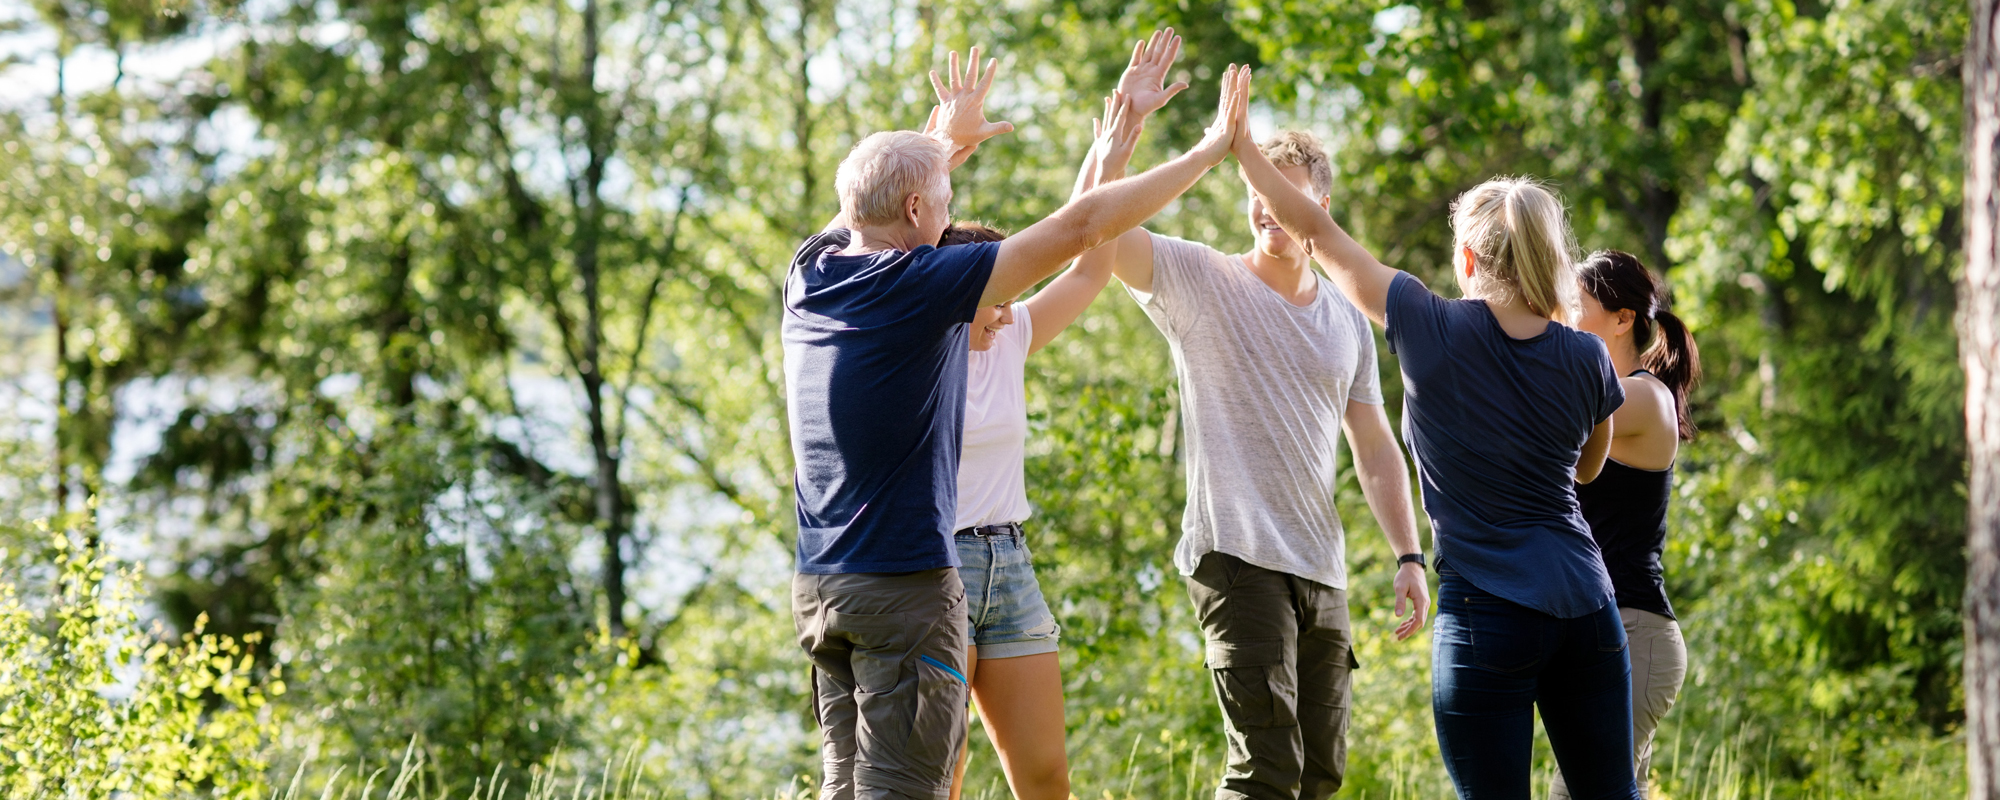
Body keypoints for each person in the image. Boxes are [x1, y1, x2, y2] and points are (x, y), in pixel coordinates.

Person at [784, 45, 1250, 799]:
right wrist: (1211, 148)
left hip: (827, 587)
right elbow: (1083, 228)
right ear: (914, 213)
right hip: (906, 581)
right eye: (940, 198)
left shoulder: (812, 270)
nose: (946, 211)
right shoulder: (920, 285)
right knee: (911, 788)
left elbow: (867, 201)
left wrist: (939, 143)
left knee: (855, 786)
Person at [1223, 69, 1645, 800]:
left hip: (1488, 612)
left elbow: (1317, 233)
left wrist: (1243, 151)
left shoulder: (1427, 324)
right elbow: (1588, 470)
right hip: (1587, 605)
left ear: (1470, 260)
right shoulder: (1586, 354)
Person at [1091, 61, 1430, 799]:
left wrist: (1409, 553)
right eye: (1255, 197)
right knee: (1265, 771)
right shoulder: (1201, 280)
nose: (1267, 211)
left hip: (1321, 565)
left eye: (1284, 199)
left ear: (1322, 206)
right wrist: (1122, 151)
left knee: (1319, 774)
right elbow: (1099, 234)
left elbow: (1374, 447)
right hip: (1235, 556)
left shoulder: (1347, 319)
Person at [939, 76, 1160, 800]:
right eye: (996, 300)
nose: (1009, 313)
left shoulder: (1011, 336)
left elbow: (1085, 253)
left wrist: (1110, 152)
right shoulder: (915, 353)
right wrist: (940, 144)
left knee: (1045, 777)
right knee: (939, 772)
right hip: (936, 569)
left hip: (1011, 562)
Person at [1549, 250, 1701, 800]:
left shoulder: (1640, 396)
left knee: (1578, 792)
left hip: (1638, 634)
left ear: (1622, 319)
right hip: (1608, 630)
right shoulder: (1612, 389)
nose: (1565, 314)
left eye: (1577, 304)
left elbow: (1546, 419)